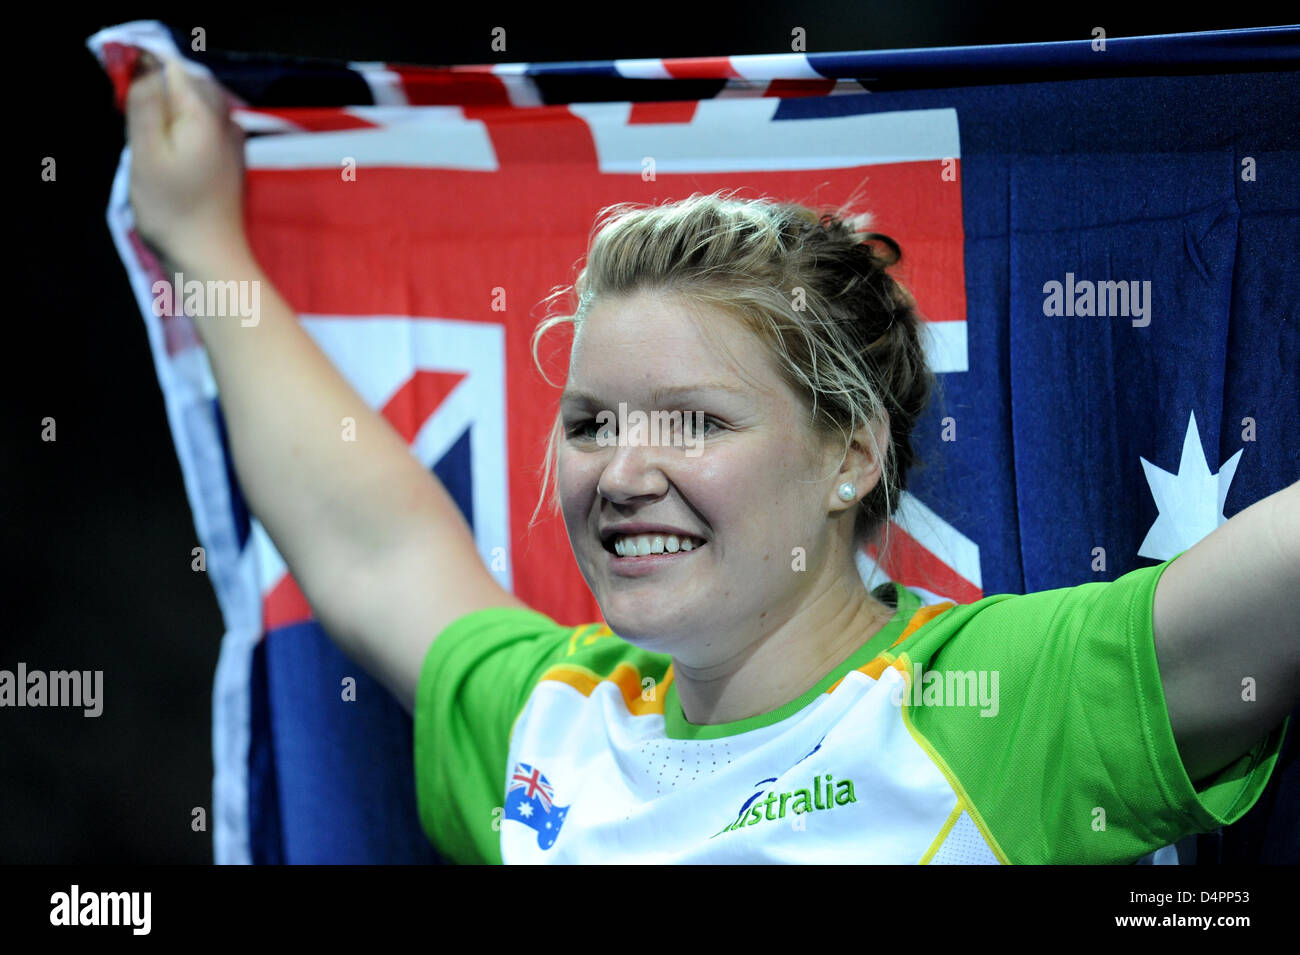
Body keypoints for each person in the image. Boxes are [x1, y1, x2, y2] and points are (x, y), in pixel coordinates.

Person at [123, 52, 1299, 864]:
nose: (620, 472)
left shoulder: (989, 700)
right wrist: (199, 235)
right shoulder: (550, 725)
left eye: (693, 419)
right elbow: (367, 542)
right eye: (590, 421)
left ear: (850, 456)